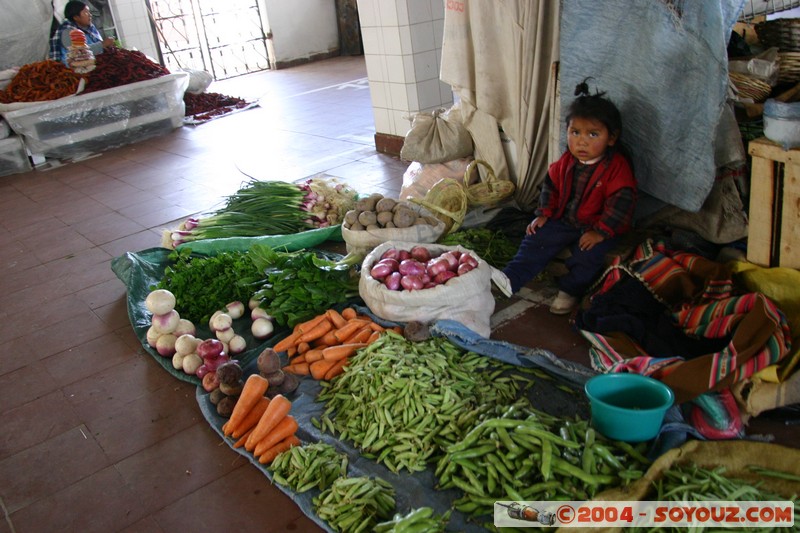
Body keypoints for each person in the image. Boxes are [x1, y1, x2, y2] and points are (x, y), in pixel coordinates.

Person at [502, 79, 637, 315]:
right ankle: (508, 280)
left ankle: (569, 291)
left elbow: (620, 208)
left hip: (599, 226)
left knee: (588, 256)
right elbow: (550, 187)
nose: (581, 141)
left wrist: (600, 232)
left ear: (611, 138)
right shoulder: (567, 161)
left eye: (593, 134)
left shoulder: (617, 169)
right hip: (565, 220)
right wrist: (544, 214)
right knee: (535, 238)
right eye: (575, 132)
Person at [49, 1, 115, 65]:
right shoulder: (67, 32)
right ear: (76, 17)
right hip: (75, 69)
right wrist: (102, 44)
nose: (90, 15)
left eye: (89, 12)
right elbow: (80, 52)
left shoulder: (89, 28)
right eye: (86, 12)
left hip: (92, 64)